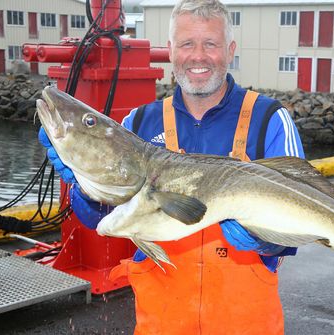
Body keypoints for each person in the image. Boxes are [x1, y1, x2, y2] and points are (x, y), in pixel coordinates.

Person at [39, 0, 305, 334]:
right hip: (161, 323)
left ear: (230, 50)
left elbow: (302, 215)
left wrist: (268, 242)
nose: (198, 56)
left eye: (210, 44)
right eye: (186, 44)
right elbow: (101, 218)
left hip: (246, 323)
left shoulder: (270, 119)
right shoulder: (138, 121)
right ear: (170, 50)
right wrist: (85, 187)